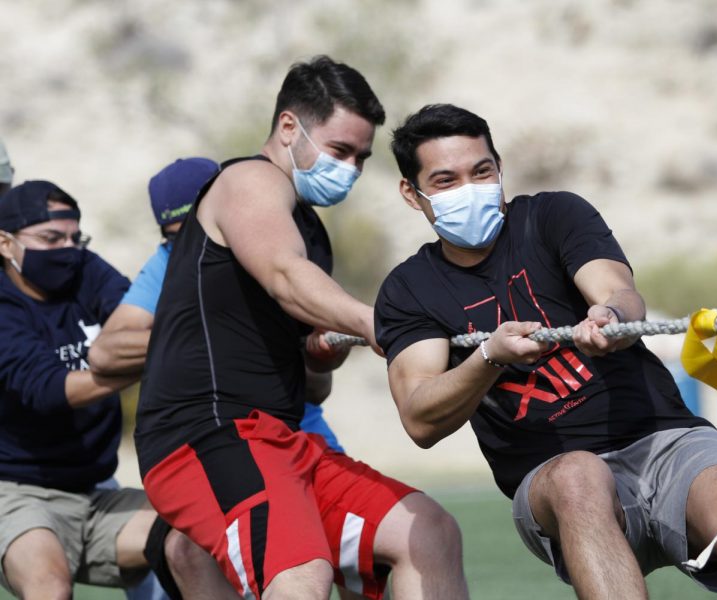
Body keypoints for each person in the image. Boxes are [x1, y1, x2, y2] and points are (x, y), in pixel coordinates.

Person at [375, 104, 717, 599]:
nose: (470, 190)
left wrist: (613, 319)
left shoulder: (554, 215)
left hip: (663, 437)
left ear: (500, 167)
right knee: (579, 476)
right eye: (446, 180)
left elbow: (619, 292)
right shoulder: (408, 289)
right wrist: (488, 358)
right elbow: (420, 417)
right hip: (552, 475)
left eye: (482, 171)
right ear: (413, 193)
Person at [134, 57, 468, 600]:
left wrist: (321, 358)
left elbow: (312, 385)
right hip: (206, 436)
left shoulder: (310, 232)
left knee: (428, 532)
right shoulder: (249, 181)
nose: (352, 170)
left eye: (361, 158)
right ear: (289, 127)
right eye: (340, 151)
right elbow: (286, 277)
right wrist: (380, 325)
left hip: (284, 439)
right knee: (300, 574)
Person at [0, 181, 207, 599]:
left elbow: (142, 322)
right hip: (16, 492)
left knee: (198, 540)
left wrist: (146, 351)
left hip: (98, 493)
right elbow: (51, 391)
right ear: (5, 244)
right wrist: (152, 356)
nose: (68, 248)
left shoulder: (86, 269)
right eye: (50, 238)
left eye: (76, 237)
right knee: (49, 586)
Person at [91, 156, 345, 453]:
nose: (189, 246)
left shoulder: (278, 255)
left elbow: (318, 389)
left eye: (195, 232)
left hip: (299, 431)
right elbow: (104, 353)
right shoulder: (167, 261)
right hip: (219, 441)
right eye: (176, 238)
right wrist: (209, 335)